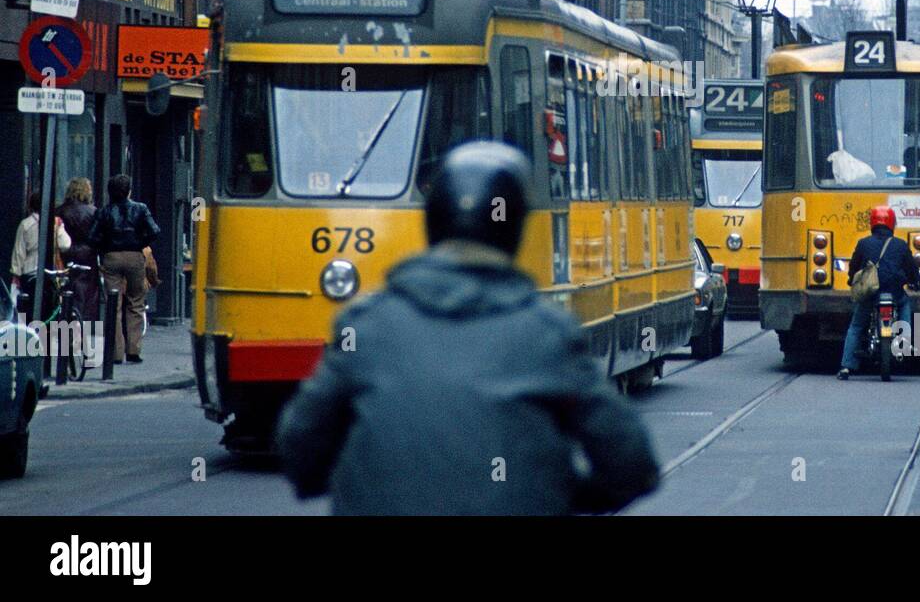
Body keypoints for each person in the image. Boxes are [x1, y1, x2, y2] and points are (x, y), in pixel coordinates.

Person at [276, 140, 661, 515]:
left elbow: (300, 445)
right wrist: (564, 495)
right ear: (515, 231)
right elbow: (631, 462)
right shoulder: (546, 332)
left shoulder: (367, 324)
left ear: (432, 221)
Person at [837, 206, 919, 380]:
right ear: (892, 224)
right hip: (895, 292)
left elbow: (854, 267)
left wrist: (852, 280)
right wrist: (914, 281)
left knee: (857, 326)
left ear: (872, 223)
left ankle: (846, 366)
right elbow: (912, 269)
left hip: (871, 293)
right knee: (905, 304)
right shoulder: (900, 244)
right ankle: (905, 339)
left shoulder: (863, 243)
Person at [89, 174, 160, 365]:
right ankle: (134, 350)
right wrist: (139, 242)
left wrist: (105, 247)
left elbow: (93, 237)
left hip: (111, 257)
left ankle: (116, 353)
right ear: (129, 190)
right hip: (135, 256)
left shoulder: (104, 212)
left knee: (114, 304)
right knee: (136, 302)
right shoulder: (140, 209)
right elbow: (155, 231)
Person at [9, 190, 72, 320]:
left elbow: (19, 252)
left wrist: (16, 274)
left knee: (28, 308)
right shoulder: (56, 223)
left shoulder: (25, 224)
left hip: (30, 272)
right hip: (51, 272)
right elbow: (65, 244)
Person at [55, 178, 100, 320]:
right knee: (87, 290)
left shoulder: (60, 211)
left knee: (65, 286)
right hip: (87, 254)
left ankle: (65, 316)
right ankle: (82, 319)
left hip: (65, 252)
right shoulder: (93, 212)